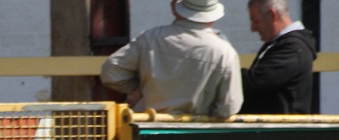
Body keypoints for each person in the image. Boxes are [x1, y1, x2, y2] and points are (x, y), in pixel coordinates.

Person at [99, 0, 243, 118]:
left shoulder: (150, 39)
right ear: (213, 17)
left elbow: (111, 71)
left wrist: (136, 90)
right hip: (197, 134)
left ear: (177, 9)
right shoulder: (225, 52)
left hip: (147, 128)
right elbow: (229, 107)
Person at [240, 0, 318, 114]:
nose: (253, 28)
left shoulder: (294, 48)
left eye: (256, 20)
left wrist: (222, 74)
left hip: (281, 130)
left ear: (272, 15)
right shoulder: (279, 44)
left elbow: (258, 81)